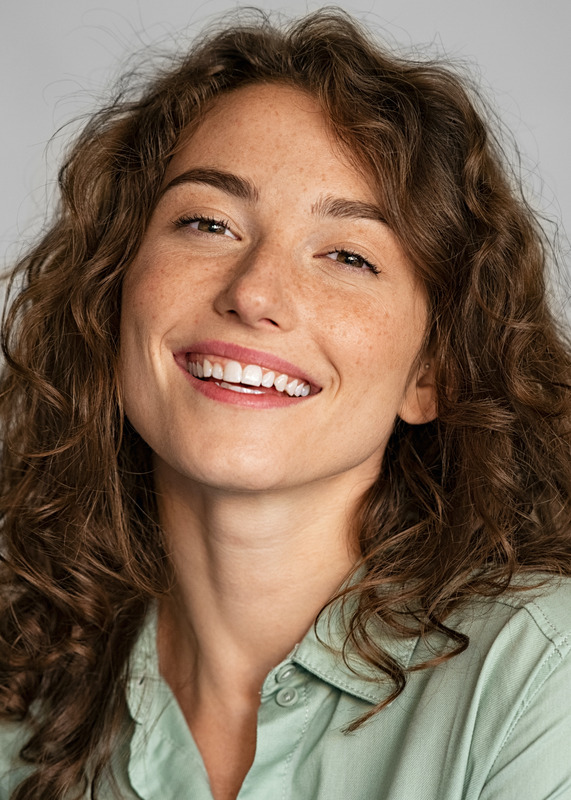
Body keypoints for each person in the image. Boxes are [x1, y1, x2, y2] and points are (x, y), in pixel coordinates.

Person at [1, 8, 570, 800]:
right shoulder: (19, 696)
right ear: (110, 295)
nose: (254, 293)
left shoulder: (542, 676)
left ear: (431, 374)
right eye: (207, 222)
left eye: (347, 255)